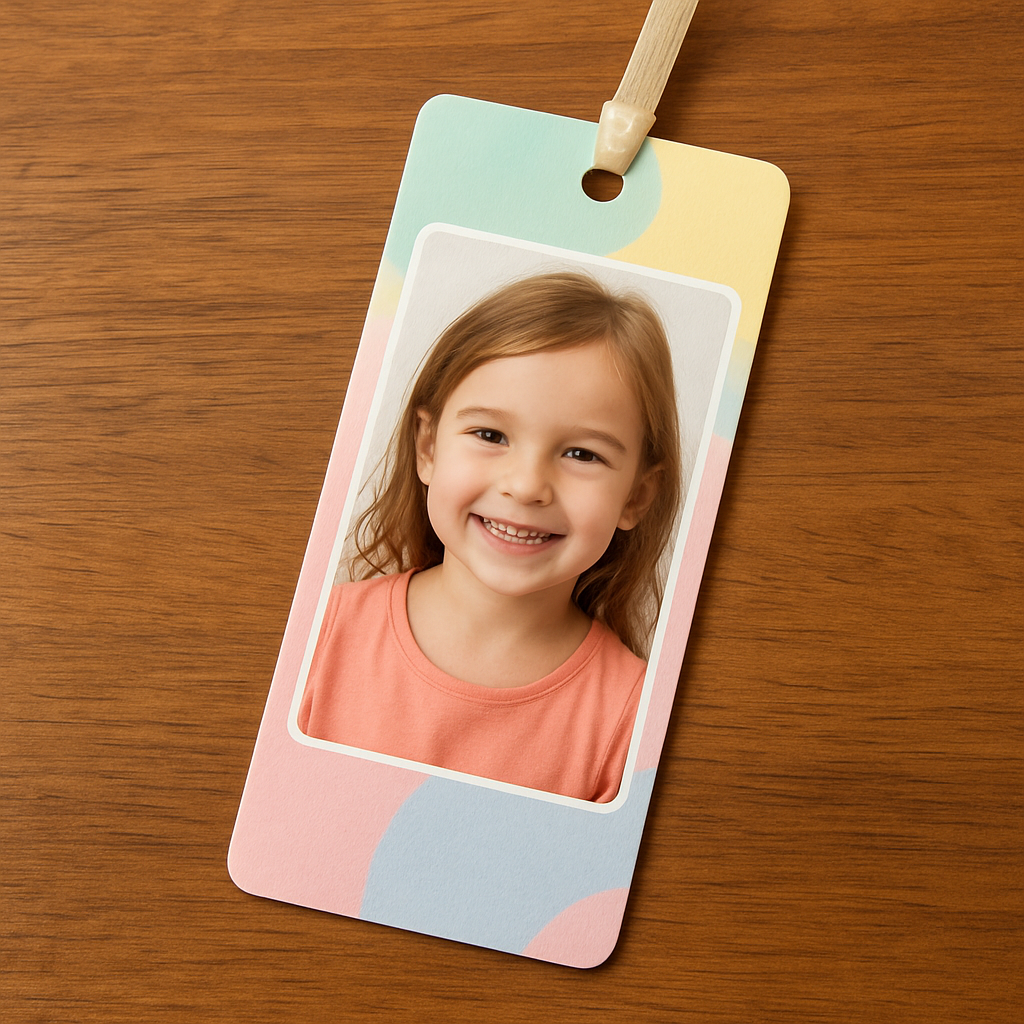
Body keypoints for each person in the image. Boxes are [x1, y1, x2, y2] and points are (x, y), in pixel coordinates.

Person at [298, 271, 682, 802]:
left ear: (637, 496)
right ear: (428, 447)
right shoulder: (316, 635)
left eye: (582, 454)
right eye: (490, 435)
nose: (526, 487)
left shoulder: (635, 718)